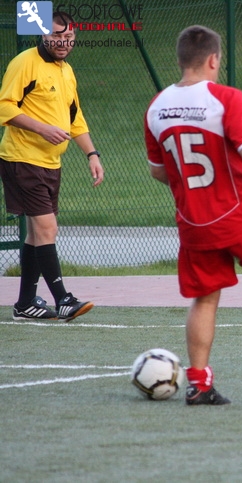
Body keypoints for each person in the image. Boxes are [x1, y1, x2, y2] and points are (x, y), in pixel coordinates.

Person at [144, 25, 242, 406]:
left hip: (193, 222)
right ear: (213, 59)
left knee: (205, 300)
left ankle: (199, 384)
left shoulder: (157, 106)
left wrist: (189, 185)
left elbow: (158, 171)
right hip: (239, 212)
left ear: (180, 60)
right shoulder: (226, 98)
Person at [0, 10, 103, 322]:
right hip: (22, 158)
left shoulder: (66, 71)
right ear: (43, 34)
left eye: (69, 37)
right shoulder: (25, 62)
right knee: (47, 229)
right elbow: (4, 106)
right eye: (57, 36)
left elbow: (75, 117)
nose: (63, 42)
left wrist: (92, 154)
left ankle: (25, 303)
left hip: (50, 163)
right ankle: (63, 299)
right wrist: (41, 128)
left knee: (36, 234)